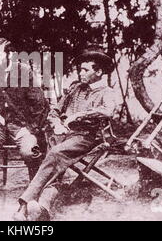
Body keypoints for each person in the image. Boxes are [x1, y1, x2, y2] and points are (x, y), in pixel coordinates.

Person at [13, 47, 116, 221]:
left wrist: (78, 115)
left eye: (86, 70)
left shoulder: (107, 92)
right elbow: (55, 110)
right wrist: (56, 123)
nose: (81, 73)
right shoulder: (75, 89)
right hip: (63, 134)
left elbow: (108, 111)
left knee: (54, 154)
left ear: (98, 72)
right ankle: (43, 207)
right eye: (80, 69)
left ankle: (23, 206)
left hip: (86, 136)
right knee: (53, 163)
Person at [0, 38, 50, 181]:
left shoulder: (24, 72)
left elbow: (40, 105)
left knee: (29, 151)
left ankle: (34, 191)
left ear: (9, 55)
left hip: (22, 127)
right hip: (0, 126)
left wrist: (32, 129)